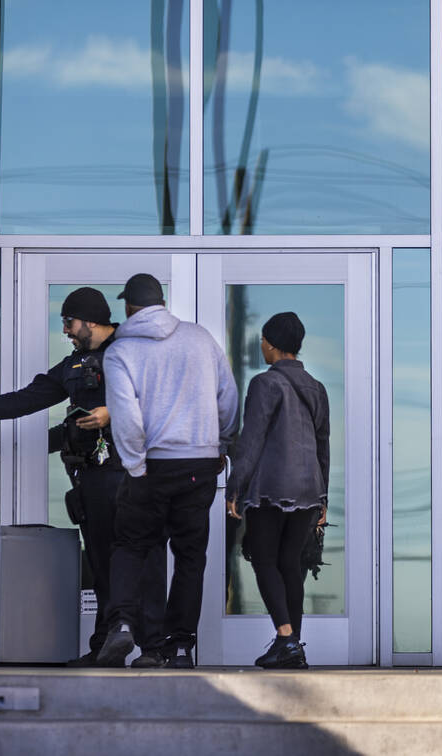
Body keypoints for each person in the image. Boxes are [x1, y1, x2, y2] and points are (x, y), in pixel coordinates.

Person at [0, 287, 166, 667]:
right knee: (102, 563)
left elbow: (161, 400)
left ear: (90, 319)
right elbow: (29, 397)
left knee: (147, 560)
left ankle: (155, 649)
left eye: (69, 322)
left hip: (136, 474)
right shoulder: (75, 365)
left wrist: (113, 413)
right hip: (93, 476)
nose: (66, 331)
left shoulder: (134, 350)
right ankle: (103, 649)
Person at [97, 273, 239, 669]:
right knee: (190, 556)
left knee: (131, 545)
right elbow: (227, 398)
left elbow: (125, 416)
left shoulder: (120, 352)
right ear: (162, 302)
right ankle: (178, 646)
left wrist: (135, 464)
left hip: (153, 463)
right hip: (199, 462)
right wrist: (221, 444)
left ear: (129, 307)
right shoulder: (200, 338)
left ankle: (125, 624)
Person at [226, 312, 330, 670]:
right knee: (291, 562)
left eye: (262, 342)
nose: (261, 348)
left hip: (272, 488)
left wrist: (235, 487)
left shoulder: (264, 384)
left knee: (265, 559)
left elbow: (251, 441)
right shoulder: (317, 387)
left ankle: (285, 637)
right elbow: (322, 446)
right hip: (308, 489)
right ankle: (293, 646)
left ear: (270, 344)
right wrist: (323, 498)